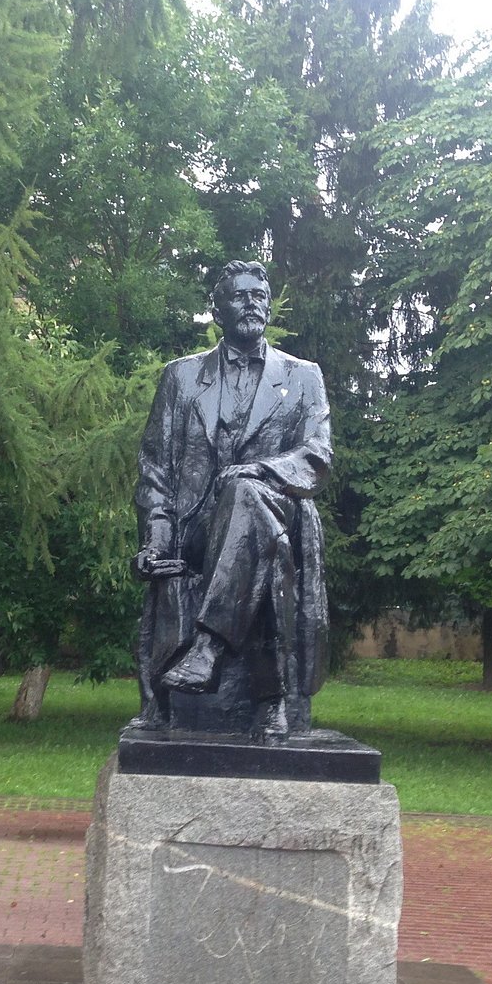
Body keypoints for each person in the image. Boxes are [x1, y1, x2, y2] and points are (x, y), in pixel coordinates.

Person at [130, 260, 331, 741]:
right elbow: (155, 469)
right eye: (239, 296)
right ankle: (266, 697)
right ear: (216, 310)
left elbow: (317, 456)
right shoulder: (180, 378)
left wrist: (260, 471)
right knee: (252, 520)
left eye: (259, 296)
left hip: (279, 519)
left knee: (255, 513)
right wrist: (155, 544)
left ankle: (210, 650)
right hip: (198, 531)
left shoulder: (303, 376)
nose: (252, 304)